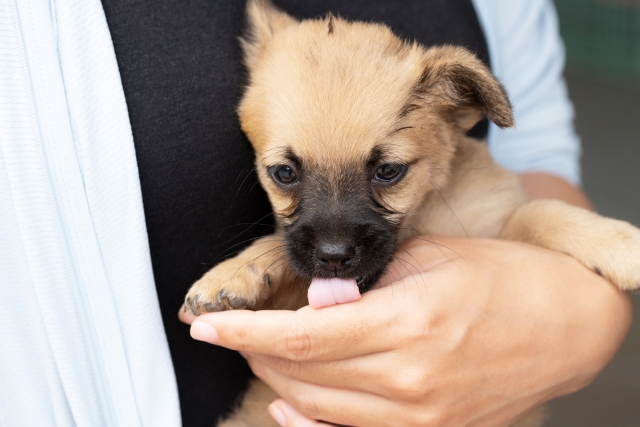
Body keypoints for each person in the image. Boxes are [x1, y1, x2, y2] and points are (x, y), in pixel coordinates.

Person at [0, 0, 632, 427]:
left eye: (385, 172)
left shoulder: (462, 146)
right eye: (286, 176)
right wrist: (264, 261)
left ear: (457, 107)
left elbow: (530, 198)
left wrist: (590, 313)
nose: (332, 242)